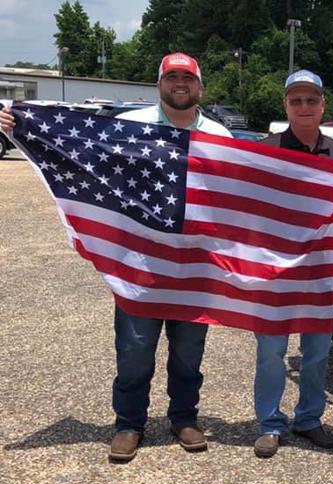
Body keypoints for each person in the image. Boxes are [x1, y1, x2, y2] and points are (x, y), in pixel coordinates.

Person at [0, 52, 233, 462]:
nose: (180, 84)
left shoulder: (220, 136)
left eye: (188, 78)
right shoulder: (130, 127)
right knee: (134, 350)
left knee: (188, 352)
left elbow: (240, 196)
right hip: (140, 265)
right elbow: (81, 155)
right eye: (172, 77)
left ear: (200, 86)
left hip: (195, 269)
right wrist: (20, 126)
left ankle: (184, 417)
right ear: (159, 83)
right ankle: (129, 424)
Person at [252, 69, 333, 458]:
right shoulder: (267, 149)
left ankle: (309, 419)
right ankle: (270, 422)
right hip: (275, 267)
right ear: (286, 105)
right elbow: (250, 205)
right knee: (271, 351)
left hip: (322, 270)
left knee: (318, 351)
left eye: (311, 100)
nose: (303, 107)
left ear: (323, 105)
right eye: (296, 100)